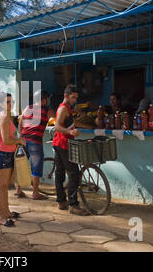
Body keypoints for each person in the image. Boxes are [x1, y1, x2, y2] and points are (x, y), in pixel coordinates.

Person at [53, 84, 90, 216]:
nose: (75, 100)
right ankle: (73, 204)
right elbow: (57, 126)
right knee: (74, 173)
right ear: (66, 96)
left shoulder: (68, 108)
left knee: (60, 173)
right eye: (73, 97)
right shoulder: (63, 109)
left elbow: (72, 122)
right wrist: (70, 132)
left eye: (76, 98)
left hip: (59, 143)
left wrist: (89, 126)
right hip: (63, 144)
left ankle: (61, 201)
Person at [0, 92, 26, 227]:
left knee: (5, 186)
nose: (10, 104)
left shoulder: (6, 116)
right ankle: (2, 217)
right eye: (7, 102)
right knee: (1, 187)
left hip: (7, 154)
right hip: (2, 155)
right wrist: (19, 140)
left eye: (11, 101)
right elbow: (6, 140)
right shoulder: (4, 117)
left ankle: (7, 213)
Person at [18, 89, 55, 200]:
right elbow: (57, 122)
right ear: (44, 99)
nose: (48, 100)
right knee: (36, 168)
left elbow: (20, 124)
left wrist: (22, 136)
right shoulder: (47, 111)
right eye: (47, 98)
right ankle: (35, 193)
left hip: (23, 140)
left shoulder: (27, 108)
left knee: (21, 165)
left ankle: (18, 190)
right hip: (35, 142)